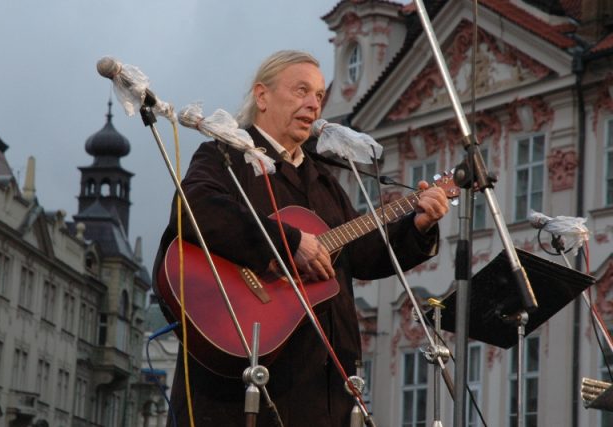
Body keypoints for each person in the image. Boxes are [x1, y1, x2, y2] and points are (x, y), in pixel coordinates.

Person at [153, 50, 449, 427]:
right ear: (262, 96)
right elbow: (193, 208)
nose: (314, 104)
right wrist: (289, 242)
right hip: (241, 385)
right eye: (301, 91)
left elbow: (361, 254)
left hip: (322, 388)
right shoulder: (225, 154)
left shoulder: (324, 180)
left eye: (320, 96)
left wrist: (417, 225)